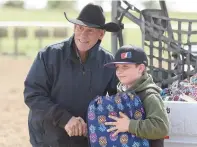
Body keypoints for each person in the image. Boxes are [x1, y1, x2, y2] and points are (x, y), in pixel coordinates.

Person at [23, 3, 120, 147]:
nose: (83, 34)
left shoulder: (109, 63)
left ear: (101, 34)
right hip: (48, 138)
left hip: (85, 139)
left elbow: (115, 100)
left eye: (90, 30)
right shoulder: (48, 55)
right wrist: (65, 119)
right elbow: (33, 95)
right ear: (74, 27)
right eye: (80, 28)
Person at [104, 45, 169, 147]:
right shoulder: (119, 94)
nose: (119, 72)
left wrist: (129, 125)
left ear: (140, 68)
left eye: (125, 66)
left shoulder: (149, 96)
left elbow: (161, 128)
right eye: (117, 67)